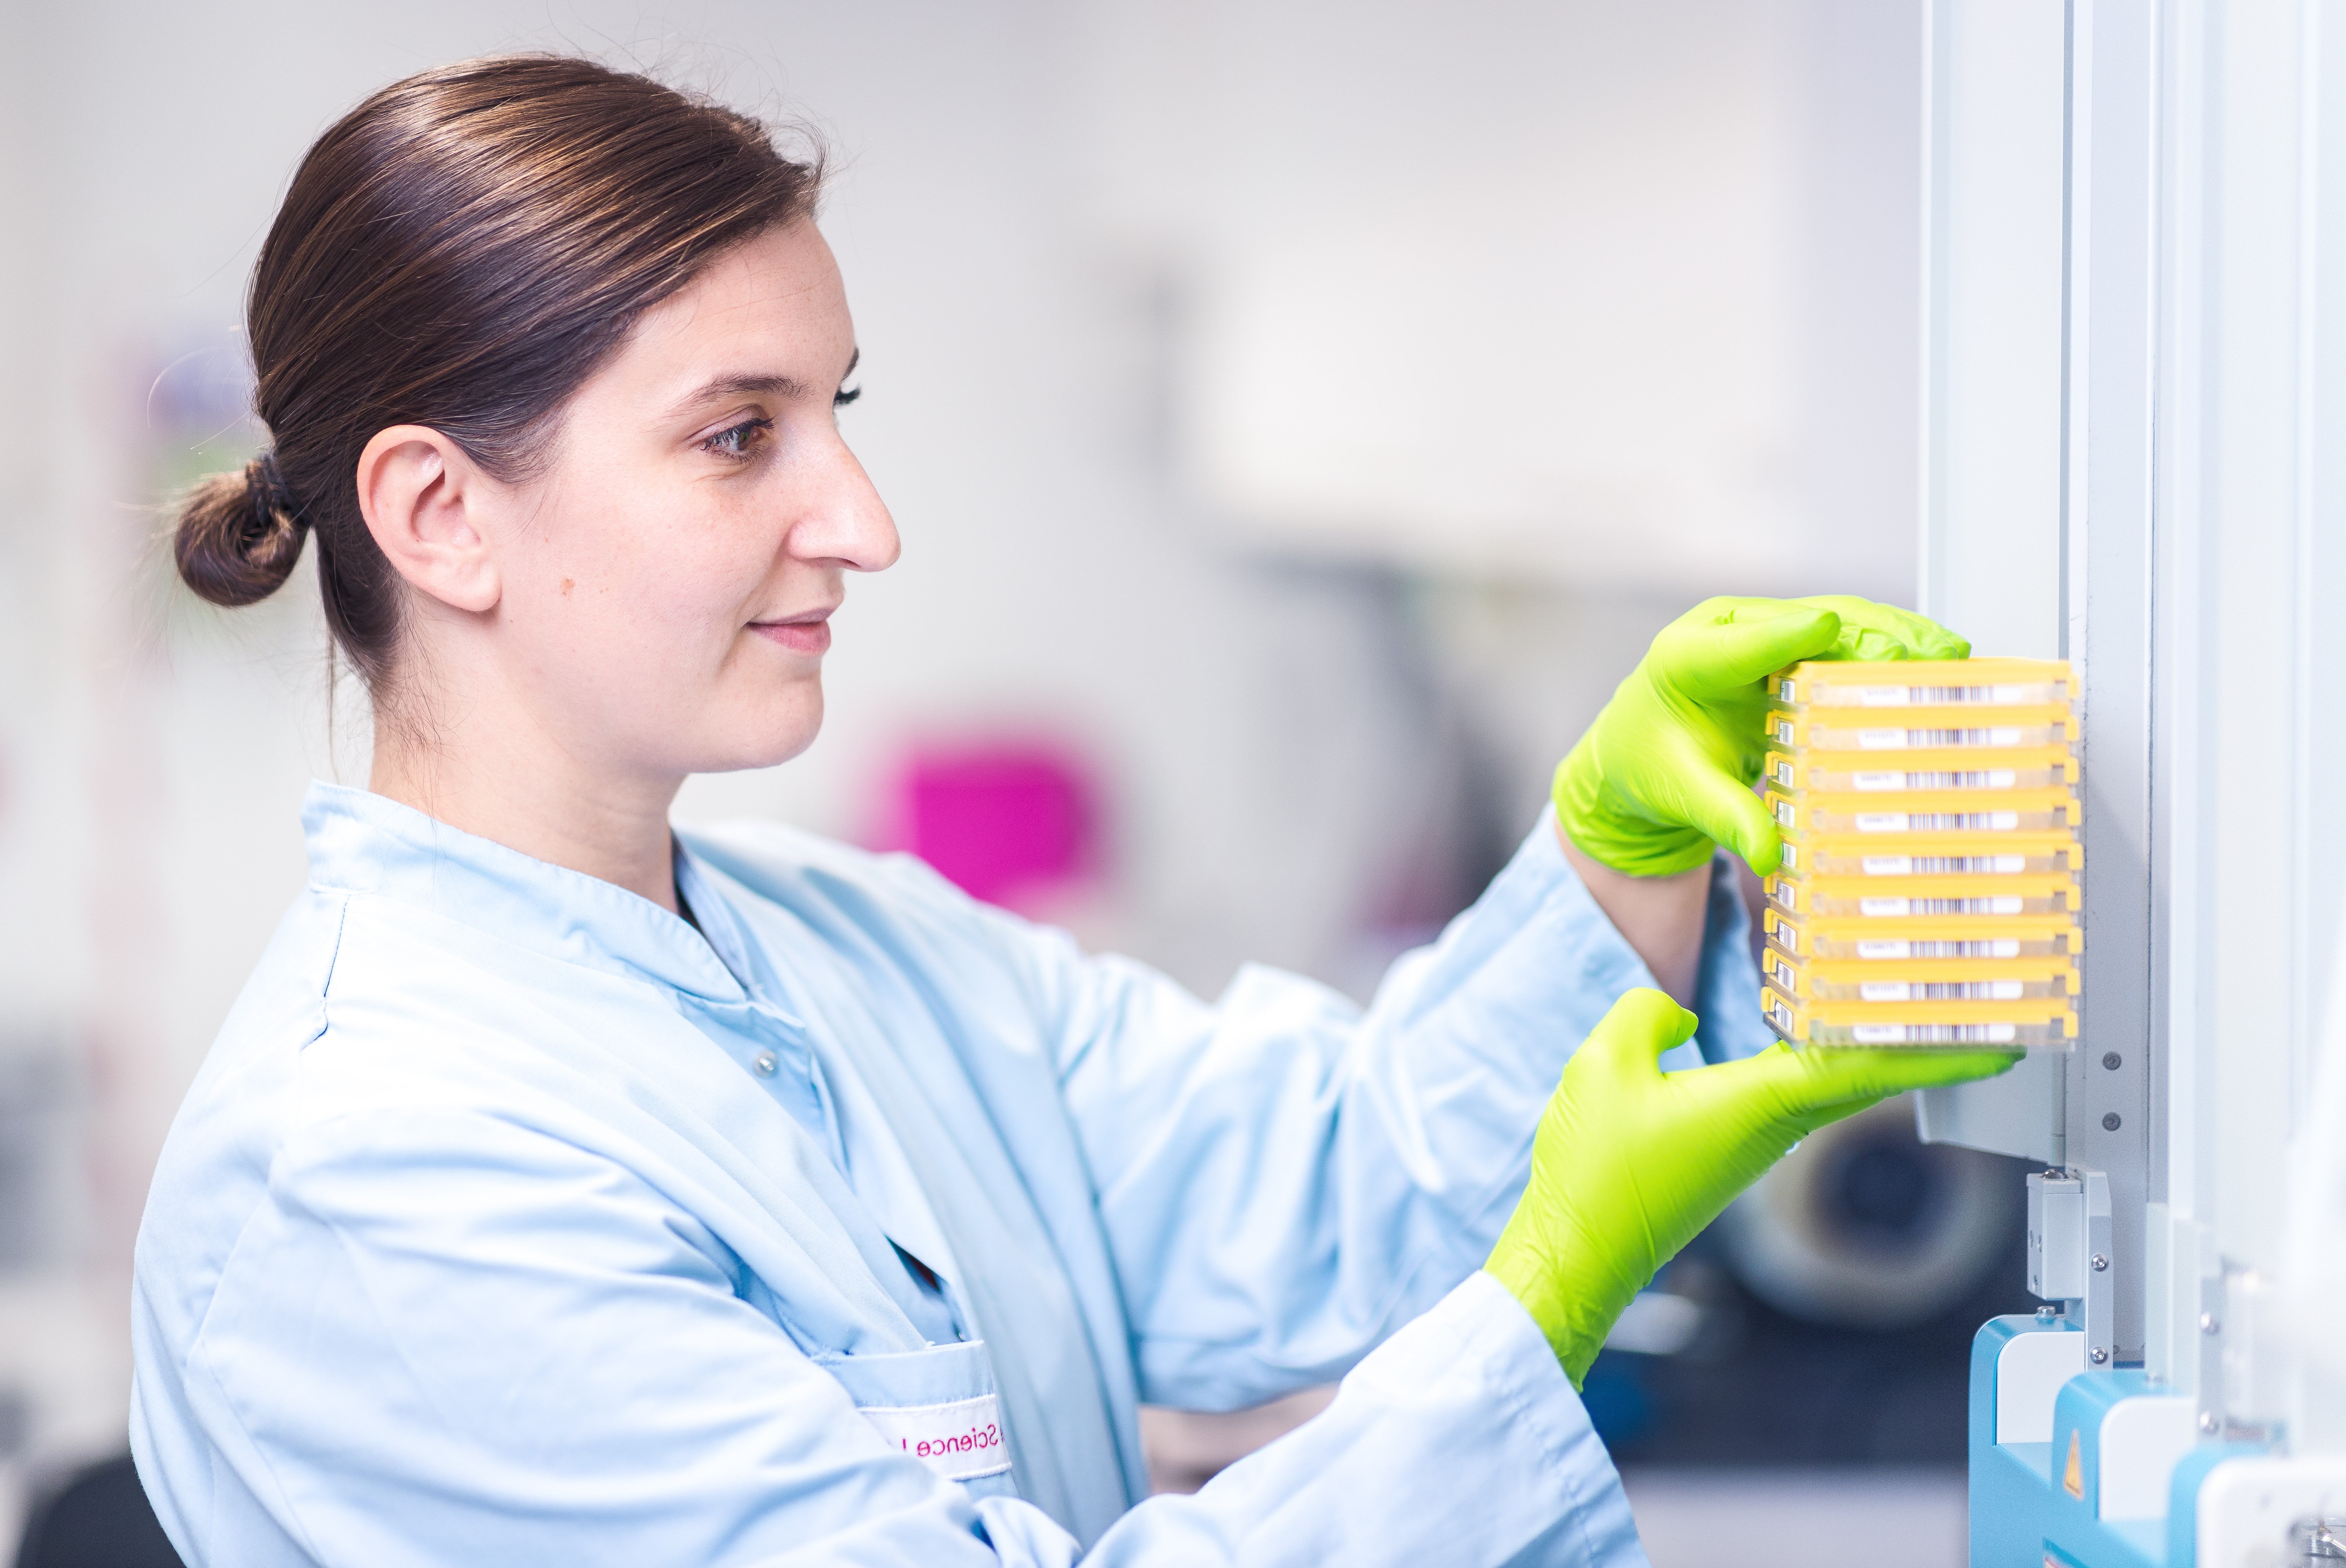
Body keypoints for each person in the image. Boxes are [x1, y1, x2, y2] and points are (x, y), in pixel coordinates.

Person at [129, 55, 2015, 1568]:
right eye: (738, 434)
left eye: (834, 412)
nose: (860, 521)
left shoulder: (837, 946)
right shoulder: (374, 1176)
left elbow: (1331, 1186)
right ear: (441, 514)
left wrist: (1613, 855)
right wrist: (1537, 1312)